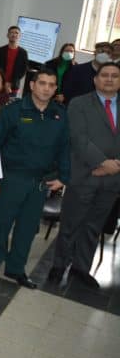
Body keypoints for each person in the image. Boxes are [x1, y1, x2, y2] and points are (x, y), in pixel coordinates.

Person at [0, 69, 70, 289]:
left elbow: (65, 148)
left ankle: (16, 269)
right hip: (12, 178)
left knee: (28, 229)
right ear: (32, 85)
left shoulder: (59, 114)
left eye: (51, 85)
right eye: (42, 83)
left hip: (40, 182)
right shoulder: (14, 111)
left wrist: (63, 178)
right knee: (2, 225)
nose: (47, 88)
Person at [49, 62, 120, 289]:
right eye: (105, 75)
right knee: (70, 223)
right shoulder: (79, 104)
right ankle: (59, 265)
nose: (109, 79)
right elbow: (78, 139)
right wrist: (102, 162)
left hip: (112, 179)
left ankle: (81, 268)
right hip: (84, 174)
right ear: (95, 80)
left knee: (93, 226)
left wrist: (114, 166)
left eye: (115, 76)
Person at [0, 26, 29, 95]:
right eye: (11, 32)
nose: (14, 34)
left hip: (14, 86)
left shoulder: (23, 53)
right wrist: (4, 82)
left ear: (20, 36)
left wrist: (11, 83)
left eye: (16, 33)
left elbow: (23, 70)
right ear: (7, 35)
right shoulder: (0, 50)